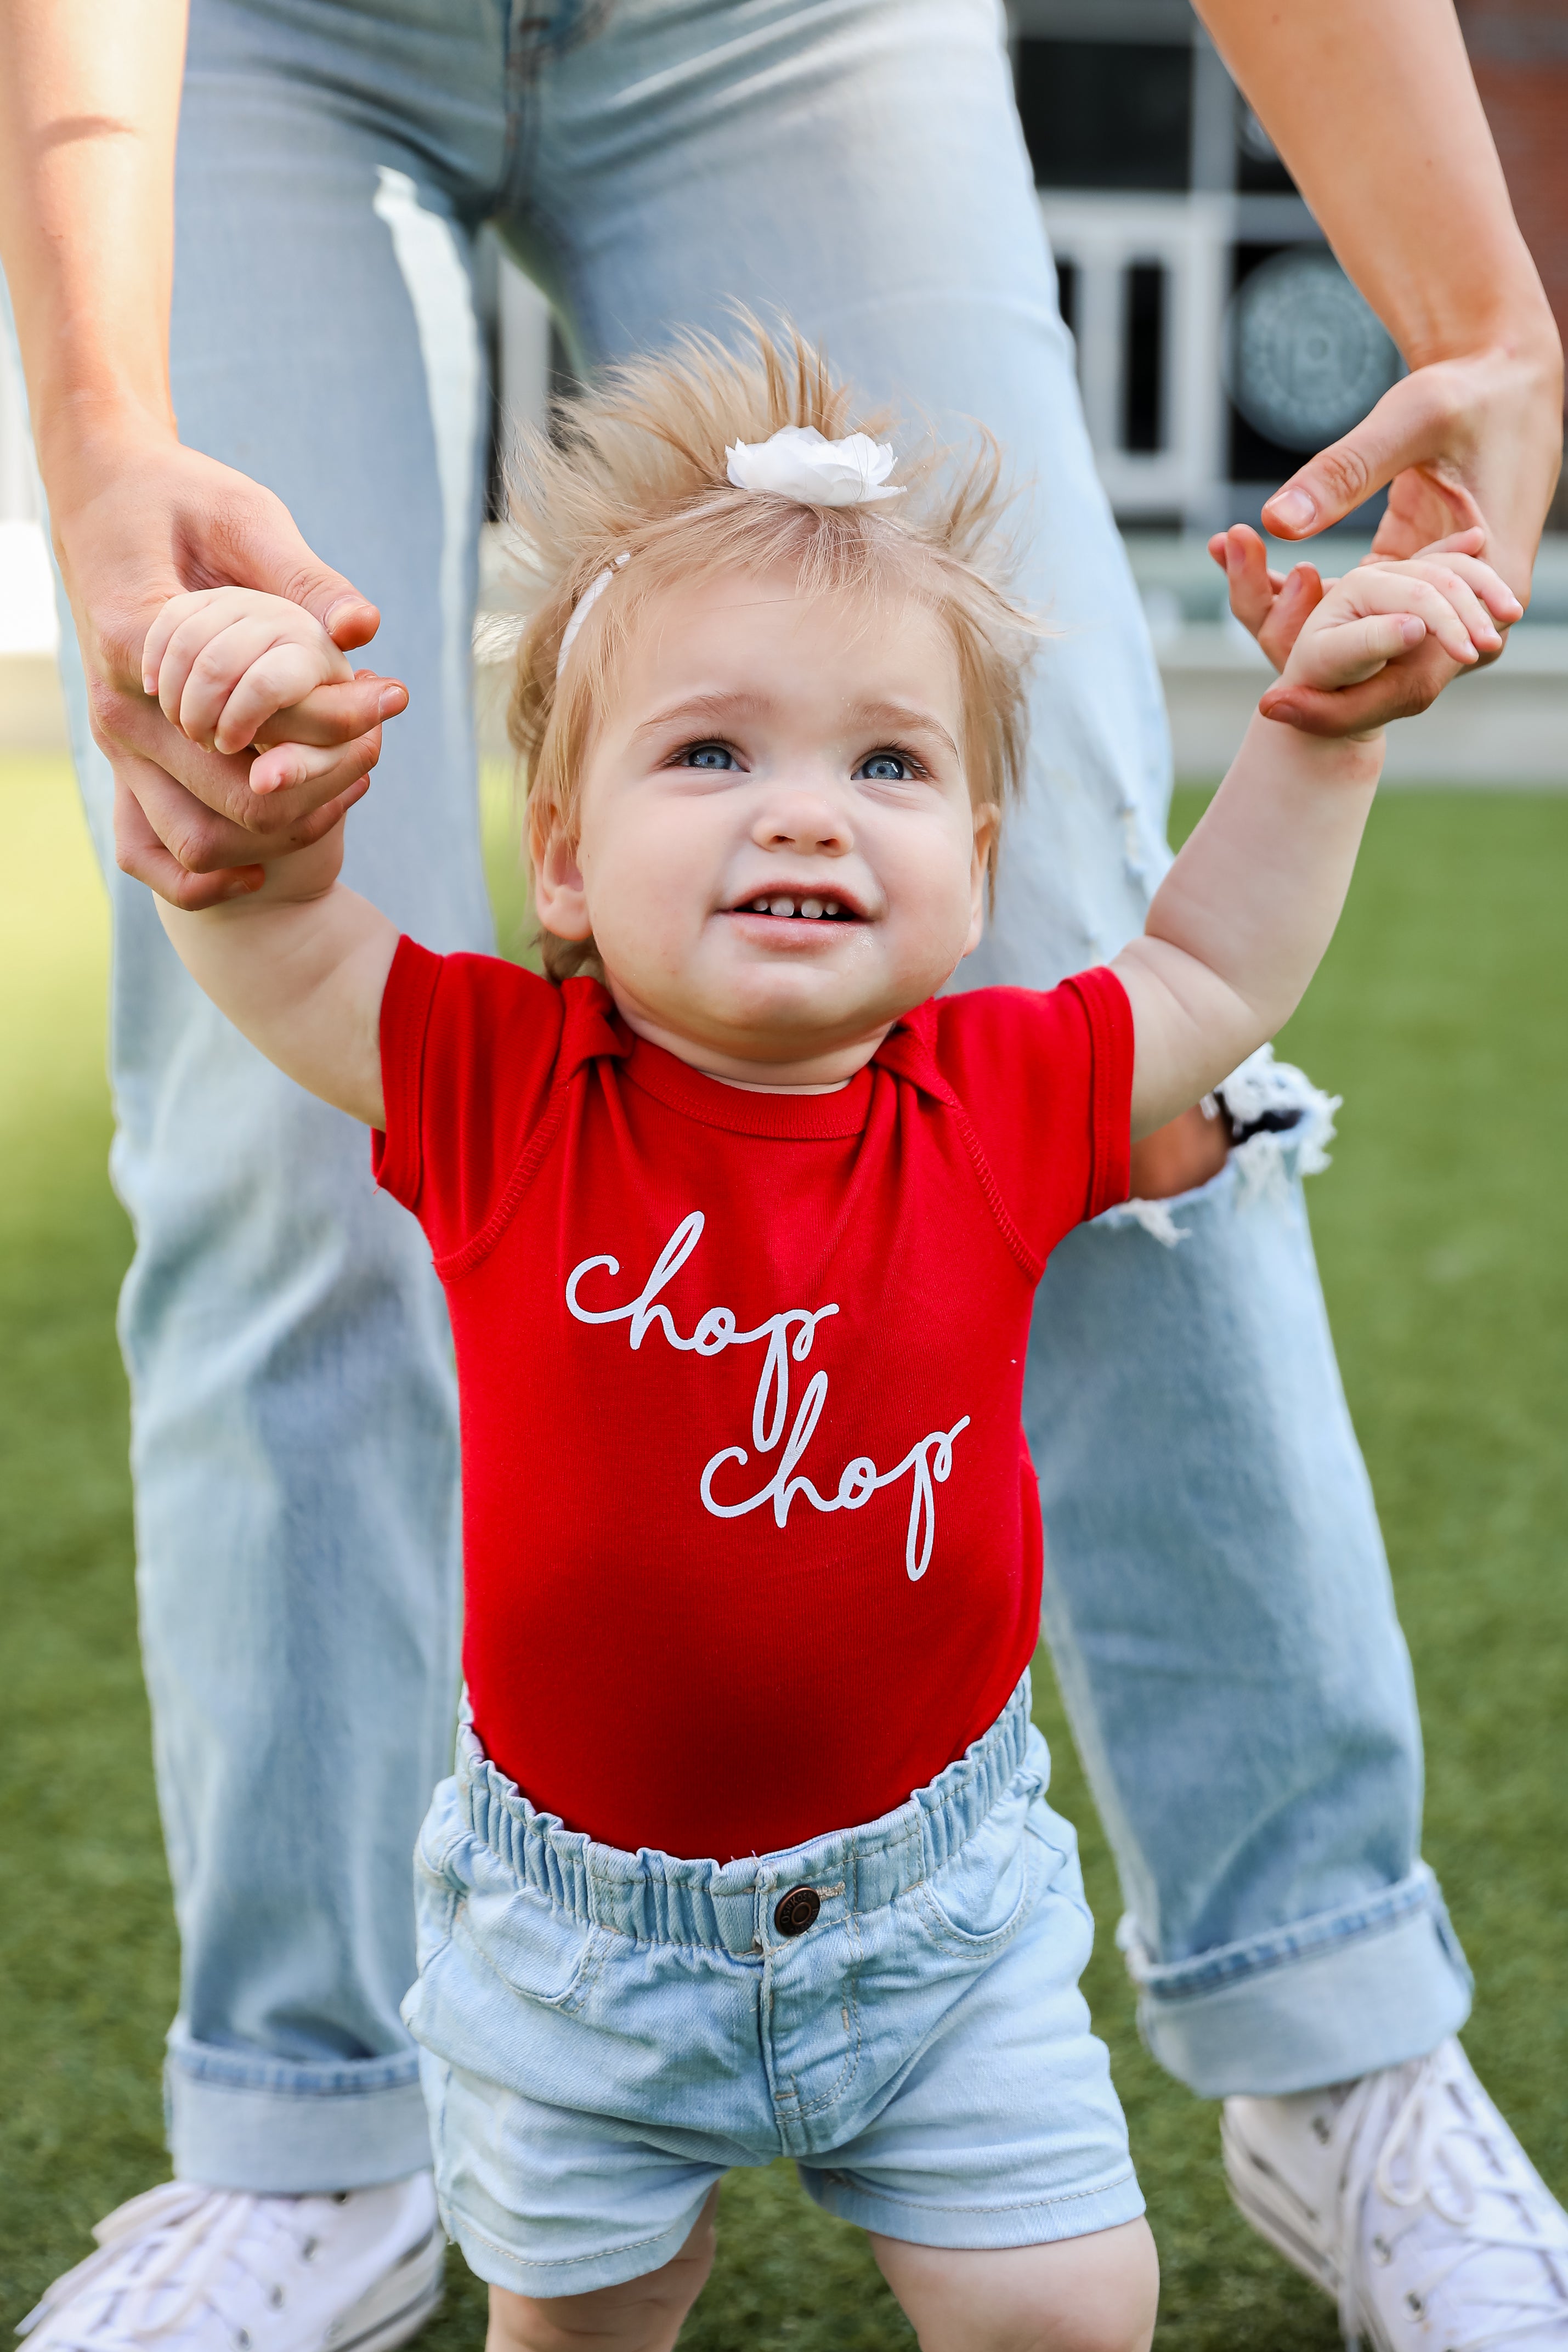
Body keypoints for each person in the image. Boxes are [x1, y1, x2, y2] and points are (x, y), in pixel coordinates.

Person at [0, 1, 1563, 2347]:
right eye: (711, 755)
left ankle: (1331, 2034)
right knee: (265, 1146)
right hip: (247, 38)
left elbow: (1206, 961)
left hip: (789, 19)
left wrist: (1448, 383)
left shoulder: (1012, 1071)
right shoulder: (496, 1068)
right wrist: (230, 778)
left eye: (884, 774)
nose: (801, 812)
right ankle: (309, 2132)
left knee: (1129, 1063)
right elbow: (294, 962)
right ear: (559, 867)